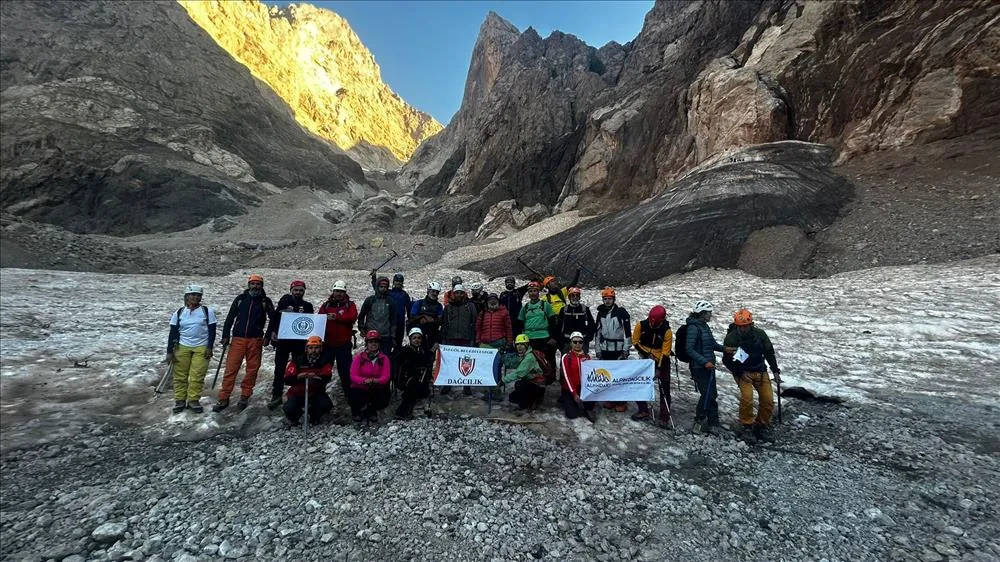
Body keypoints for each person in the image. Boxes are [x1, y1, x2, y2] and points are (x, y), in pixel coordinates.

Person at [215, 274, 275, 412]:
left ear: (261, 286)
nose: (255, 286)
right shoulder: (240, 299)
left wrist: (267, 336)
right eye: (253, 283)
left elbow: (273, 319)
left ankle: (245, 395)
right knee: (231, 368)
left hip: (256, 339)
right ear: (249, 285)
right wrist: (225, 335)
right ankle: (224, 397)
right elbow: (230, 317)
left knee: (252, 369)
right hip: (238, 339)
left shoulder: (265, 301)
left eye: (258, 284)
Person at [723, 308, 782, 442]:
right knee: (747, 398)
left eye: (745, 326)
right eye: (740, 327)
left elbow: (768, 352)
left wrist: (775, 371)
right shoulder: (731, 338)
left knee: (767, 400)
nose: (743, 329)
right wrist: (740, 373)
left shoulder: (760, 335)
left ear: (751, 324)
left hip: (760, 370)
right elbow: (726, 360)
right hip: (742, 371)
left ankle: (761, 425)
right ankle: (747, 426)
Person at [165, 284, 217, 414]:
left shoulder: (207, 311)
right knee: (180, 376)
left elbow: (212, 331)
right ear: (187, 297)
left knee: (197, 375)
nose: (195, 297)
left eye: (198, 295)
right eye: (192, 295)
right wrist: (169, 351)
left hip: (202, 347)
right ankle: (180, 400)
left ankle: (193, 400)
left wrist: (210, 347)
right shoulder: (179, 312)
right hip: (182, 346)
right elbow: (173, 332)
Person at [267, 280, 314, 410]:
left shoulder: (308, 306)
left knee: (298, 369)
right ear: (291, 290)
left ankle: (295, 395)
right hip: (284, 341)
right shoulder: (284, 302)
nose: (298, 292)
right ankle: (276, 395)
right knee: (279, 369)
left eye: (300, 290)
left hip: (299, 343)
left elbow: (311, 323)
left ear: (304, 291)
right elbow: (275, 318)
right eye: (296, 290)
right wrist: (272, 332)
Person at [685, 300, 725, 433]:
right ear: (702, 314)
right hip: (699, 367)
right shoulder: (693, 328)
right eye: (709, 313)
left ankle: (713, 421)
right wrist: (704, 362)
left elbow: (711, 344)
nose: (710, 315)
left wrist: (726, 349)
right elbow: (689, 349)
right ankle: (701, 419)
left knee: (711, 393)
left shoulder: (704, 326)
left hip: (708, 366)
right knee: (708, 394)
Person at [631, 305, 672, 424]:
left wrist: (659, 367)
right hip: (645, 358)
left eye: (657, 324)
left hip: (661, 360)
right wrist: (646, 354)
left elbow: (665, 352)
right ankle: (643, 410)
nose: (653, 325)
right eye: (652, 322)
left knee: (664, 388)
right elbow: (635, 341)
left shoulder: (666, 331)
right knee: (639, 383)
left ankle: (664, 417)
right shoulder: (641, 325)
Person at [318, 280, 357, 401]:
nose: (339, 294)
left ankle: (349, 394)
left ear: (345, 292)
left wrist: (337, 317)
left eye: (341, 291)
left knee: (345, 371)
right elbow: (319, 319)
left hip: (343, 344)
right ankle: (319, 394)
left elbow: (352, 317)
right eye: (337, 291)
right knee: (324, 370)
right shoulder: (326, 305)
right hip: (328, 344)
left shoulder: (350, 305)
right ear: (333, 291)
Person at [594, 287, 631, 412]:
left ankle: (621, 401)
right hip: (606, 349)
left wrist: (626, 349)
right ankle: (610, 399)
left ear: (614, 299)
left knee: (619, 377)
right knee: (608, 376)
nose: (607, 301)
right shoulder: (601, 313)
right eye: (605, 299)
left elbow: (627, 332)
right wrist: (598, 349)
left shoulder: (621, 312)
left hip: (619, 349)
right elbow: (597, 333)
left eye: (610, 299)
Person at [282, 336, 333, 426]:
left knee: (326, 404)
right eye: (311, 348)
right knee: (288, 408)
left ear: (321, 348)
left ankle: (313, 417)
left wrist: (317, 377)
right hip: (298, 393)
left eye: (316, 347)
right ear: (306, 349)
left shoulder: (325, 361)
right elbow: (287, 379)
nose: (313, 350)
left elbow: (327, 377)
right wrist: (298, 377)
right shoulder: (297, 361)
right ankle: (298, 418)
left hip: (315, 392)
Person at [440, 284, 478, 395]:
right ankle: (448, 384)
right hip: (451, 338)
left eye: (461, 292)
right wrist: (444, 338)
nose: (459, 295)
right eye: (457, 292)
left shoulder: (470, 306)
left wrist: (473, 338)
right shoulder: (448, 307)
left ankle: (467, 385)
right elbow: (444, 323)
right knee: (450, 362)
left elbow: (474, 323)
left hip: (466, 338)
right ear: (453, 294)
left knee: (466, 363)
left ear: (464, 294)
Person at [349, 330, 392, 425]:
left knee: (383, 395)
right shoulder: (359, 358)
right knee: (355, 393)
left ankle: (372, 410)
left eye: (376, 342)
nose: (374, 344)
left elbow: (386, 376)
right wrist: (364, 381)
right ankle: (358, 411)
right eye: (371, 342)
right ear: (366, 343)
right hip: (362, 387)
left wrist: (376, 381)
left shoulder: (384, 358)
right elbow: (353, 375)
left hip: (376, 386)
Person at [517, 281, 556, 383]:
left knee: (545, 360)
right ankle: (531, 380)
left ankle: (548, 380)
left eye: (535, 291)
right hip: (529, 338)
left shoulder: (545, 305)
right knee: (531, 361)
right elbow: (520, 323)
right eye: (530, 291)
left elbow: (552, 322)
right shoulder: (525, 307)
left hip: (544, 337)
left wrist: (552, 337)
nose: (533, 293)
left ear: (538, 292)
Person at [393, 327, 434, 420]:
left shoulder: (421, 350)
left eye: (419, 338)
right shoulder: (406, 351)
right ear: (410, 339)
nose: (417, 340)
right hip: (407, 379)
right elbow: (415, 362)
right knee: (413, 389)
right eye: (414, 338)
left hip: (417, 378)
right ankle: (401, 412)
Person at [502, 334, 546, 412]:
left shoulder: (529, 357)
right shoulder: (524, 355)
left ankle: (535, 399)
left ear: (527, 345)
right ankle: (532, 398)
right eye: (517, 344)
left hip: (536, 383)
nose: (519, 346)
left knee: (519, 385)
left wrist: (503, 381)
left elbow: (518, 373)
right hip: (531, 381)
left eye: (522, 344)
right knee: (512, 398)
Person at [559, 331, 595, 422]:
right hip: (569, 389)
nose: (577, 344)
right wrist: (574, 394)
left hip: (582, 388)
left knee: (590, 403)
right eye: (575, 342)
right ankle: (566, 399)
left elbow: (591, 375)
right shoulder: (566, 357)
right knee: (572, 414)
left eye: (580, 342)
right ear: (571, 343)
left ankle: (587, 408)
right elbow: (567, 377)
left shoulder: (587, 357)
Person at [358, 276, 398, 356]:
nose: (383, 289)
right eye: (381, 286)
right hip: (371, 335)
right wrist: (361, 328)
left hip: (385, 336)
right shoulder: (370, 300)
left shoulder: (391, 301)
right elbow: (361, 315)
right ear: (377, 287)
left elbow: (393, 320)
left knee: (384, 360)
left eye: (385, 287)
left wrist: (392, 336)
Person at [371, 271, 411, 350]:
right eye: (396, 281)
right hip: (389, 323)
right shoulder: (388, 292)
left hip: (400, 323)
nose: (398, 283)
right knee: (388, 343)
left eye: (400, 281)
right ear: (393, 282)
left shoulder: (404, 294)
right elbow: (377, 288)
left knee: (398, 344)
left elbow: (409, 308)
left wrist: (410, 321)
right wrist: (374, 277)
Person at [557, 287, 595, 354]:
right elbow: (558, 326)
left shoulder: (585, 309)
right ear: (569, 297)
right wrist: (561, 341)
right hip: (567, 343)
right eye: (572, 295)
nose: (575, 297)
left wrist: (588, 338)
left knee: (583, 363)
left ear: (579, 297)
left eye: (577, 295)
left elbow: (591, 325)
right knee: (566, 363)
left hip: (582, 342)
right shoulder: (564, 310)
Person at [409, 282, 444, 350]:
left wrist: (432, 320)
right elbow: (412, 318)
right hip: (419, 335)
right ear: (428, 291)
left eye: (437, 292)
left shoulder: (439, 306)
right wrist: (423, 316)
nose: (435, 294)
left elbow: (440, 320)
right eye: (433, 291)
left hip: (433, 335)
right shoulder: (419, 303)